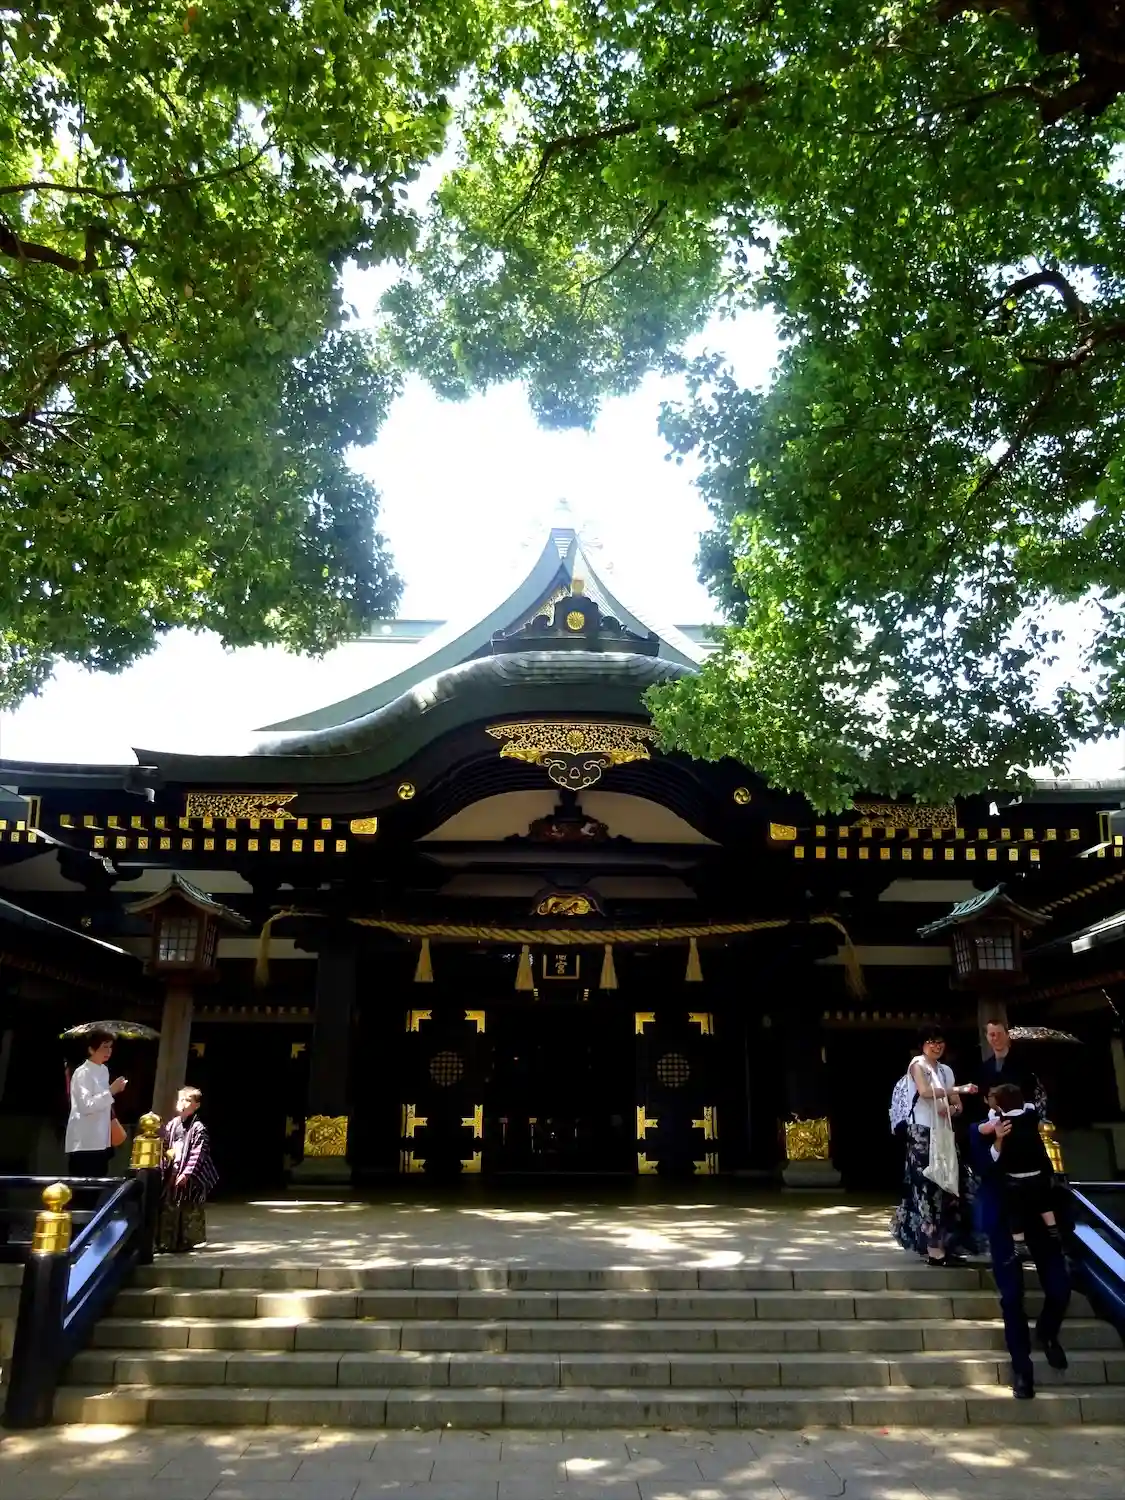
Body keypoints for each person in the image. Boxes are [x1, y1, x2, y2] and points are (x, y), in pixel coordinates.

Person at [969, 1115, 1070, 1399]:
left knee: (1060, 1288)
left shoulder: (1032, 1123)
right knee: (1012, 1298)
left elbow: (1050, 1167)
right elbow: (983, 1168)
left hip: (1039, 1217)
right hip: (1005, 1222)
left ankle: (1047, 1331)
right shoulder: (980, 1130)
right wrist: (998, 1139)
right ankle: (1022, 1370)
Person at [891, 1027, 976, 1265]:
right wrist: (958, 1090)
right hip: (921, 1132)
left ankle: (948, 1243)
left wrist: (952, 1108)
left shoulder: (946, 1071)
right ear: (923, 1044)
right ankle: (932, 1248)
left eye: (940, 1042)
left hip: (944, 1132)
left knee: (950, 1186)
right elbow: (925, 1091)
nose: (936, 1046)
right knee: (926, 1188)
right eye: (931, 1042)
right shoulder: (917, 1065)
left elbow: (957, 1105)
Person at [979, 1083, 1059, 1258]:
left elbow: (983, 1131)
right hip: (1037, 1174)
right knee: (1044, 1204)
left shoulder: (1001, 1121)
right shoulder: (1031, 1117)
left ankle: (1019, 1244)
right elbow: (1031, 1107)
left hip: (1014, 1178)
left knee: (1015, 1211)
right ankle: (1053, 1230)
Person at [156, 1087, 218, 1254]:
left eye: (188, 1100)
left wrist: (187, 1173)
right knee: (168, 1206)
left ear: (196, 1106)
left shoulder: (198, 1128)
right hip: (173, 1168)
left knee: (187, 1208)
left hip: (188, 1173)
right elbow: (165, 1146)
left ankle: (184, 1242)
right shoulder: (172, 1124)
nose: (183, 1103)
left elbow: (199, 1152)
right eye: (181, 1099)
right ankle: (167, 1242)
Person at [64, 1031, 127, 1176]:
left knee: (99, 1182)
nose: (108, 1051)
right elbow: (86, 1106)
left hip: (101, 1140)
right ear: (91, 1049)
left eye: (110, 1047)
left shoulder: (104, 1071)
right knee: (84, 1185)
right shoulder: (82, 1073)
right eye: (104, 1047)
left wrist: (113, 1091)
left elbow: (102, 1102)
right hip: (84, 1142)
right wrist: (111, 1091)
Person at [979, 1019, 1047, 1118]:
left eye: (1000, 1034)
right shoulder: (985, 1067)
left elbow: (1032, 1093)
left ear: (1007, 1035)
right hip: (996, 1120)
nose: (996, 1038)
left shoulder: (1024, 1062)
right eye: (992, 1035)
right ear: (987, 1037)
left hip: (1023, 1117)